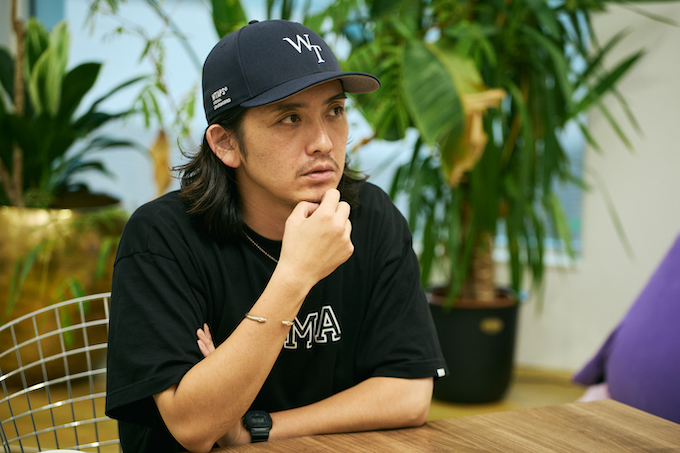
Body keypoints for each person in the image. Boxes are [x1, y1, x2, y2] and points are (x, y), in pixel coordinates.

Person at [105, 19, 447, 453]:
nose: (323, 142)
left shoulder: (370, 217)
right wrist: (295, 276)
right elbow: (194, 426)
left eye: (335, 111)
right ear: (226, 143)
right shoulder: (162, 238)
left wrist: (255, 428)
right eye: (290, 118)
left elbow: (410, 394)